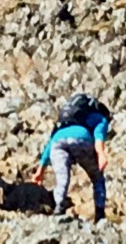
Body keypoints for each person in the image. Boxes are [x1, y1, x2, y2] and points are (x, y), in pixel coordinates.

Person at [47, 93, 111, 221]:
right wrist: (101, 154)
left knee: (62, 176)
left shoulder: (65, 122)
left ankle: (59, 206)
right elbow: (98, 136)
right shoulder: (101, 118)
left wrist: (39, 171)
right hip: (82, 139)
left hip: (57, 142)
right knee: (97, 178)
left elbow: (49, 146)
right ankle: (99, 214)